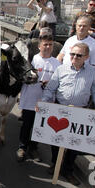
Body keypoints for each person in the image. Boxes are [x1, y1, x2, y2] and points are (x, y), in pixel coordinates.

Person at [41, 42, 95, 186]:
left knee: (74, 143)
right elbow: (50, 89)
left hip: (80, 111)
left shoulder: (93, 72)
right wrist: (44, 102)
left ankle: (68, 169)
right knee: (55, 138)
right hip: (60, 109)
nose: (75, 57)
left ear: (87, 57)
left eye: (79, 55)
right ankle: (55, 163)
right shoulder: (61, 69)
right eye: (72, 54)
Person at [17, 34, 60, 162]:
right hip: (30, 98)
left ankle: (34, 148)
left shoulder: (57, 63)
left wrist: (50, 84)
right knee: (27, 124)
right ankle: (22, 147)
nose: (47, 47)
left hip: (46, 101)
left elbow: (58, 82)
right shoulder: (31, 60)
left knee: (39, 126)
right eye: (45, 44)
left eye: (50, 45)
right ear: (39, 46)